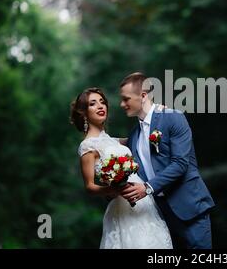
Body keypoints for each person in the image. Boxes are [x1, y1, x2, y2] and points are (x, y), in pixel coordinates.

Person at [119, 72, 215, 249]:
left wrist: (146, 188)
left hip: (189, 208)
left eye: (126, 99)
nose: (122, 104)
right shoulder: (134, 135)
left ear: (143, 95)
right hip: (160, 216)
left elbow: (180, 164)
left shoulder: (173, 117)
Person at [70, 87, 173, 249]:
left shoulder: (113, 141)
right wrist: (115, 189)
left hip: (143, 200)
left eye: (102, 102)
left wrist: (158, 114)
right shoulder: (87, 147)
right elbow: (89, 187)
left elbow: (143, 135)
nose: (100, 106)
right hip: (123, 206)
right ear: (83, 112)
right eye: (93, 103)